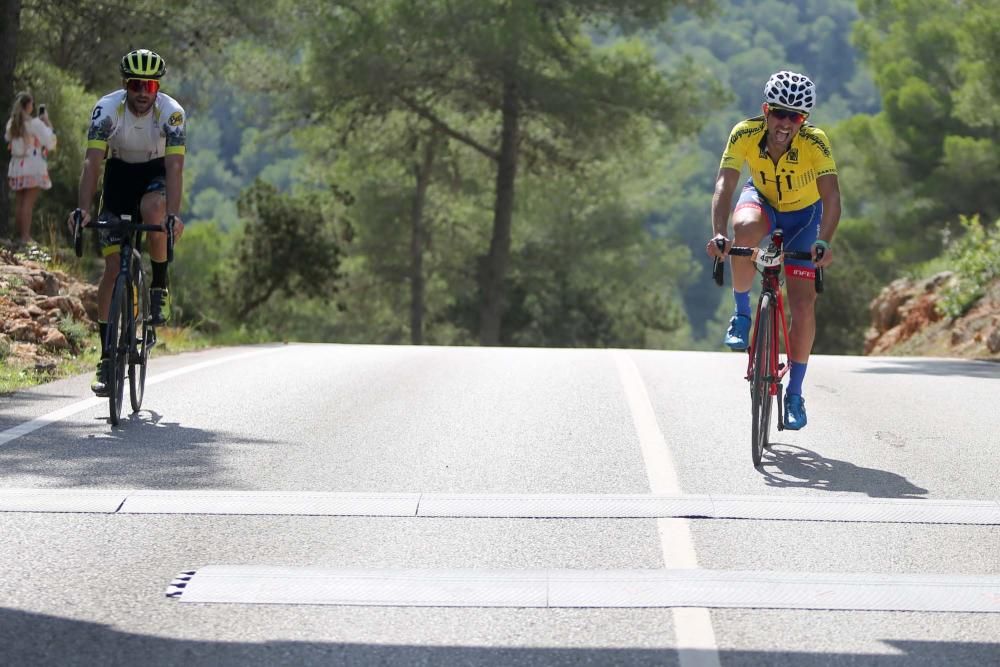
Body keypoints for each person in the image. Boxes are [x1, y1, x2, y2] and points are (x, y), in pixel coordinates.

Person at [706, 70, 841, 430]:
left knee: (802, 303)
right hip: (762, 199)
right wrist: (720, 234)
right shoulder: (744, 133)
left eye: (794, 117)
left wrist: (824, 241)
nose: (785, 123)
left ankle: (795, 393)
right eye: (779, 113)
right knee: (745, 229)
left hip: (804, 218)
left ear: (804, 120)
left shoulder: (816, 142)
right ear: (765, 110)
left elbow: (831, 197)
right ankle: (742, 314)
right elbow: (725, 183)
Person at [66, 48, 186, 396]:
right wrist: (83, 209)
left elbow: (175, 167)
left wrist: (173, 215)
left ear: (157, 87)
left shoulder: (171, 113)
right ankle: (106, 358)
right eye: (136, 85)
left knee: (154, 212)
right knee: (112, 267)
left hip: (155, 173)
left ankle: (159, 285)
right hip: (118, 174)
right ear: (125, 84)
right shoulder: (107, 109)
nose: (142, 93)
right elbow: (92, 163)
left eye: (149, 86)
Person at [5, 92, 57, 246]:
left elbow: (7, 139)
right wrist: (47, 122)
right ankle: (25, 237)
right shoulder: (35, 124)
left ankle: (19, 235)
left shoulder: (11, 124)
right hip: (32, 165)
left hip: (16, 166)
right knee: (28, 203)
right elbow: (50, 142)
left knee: (20, 202)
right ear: (28, 106)